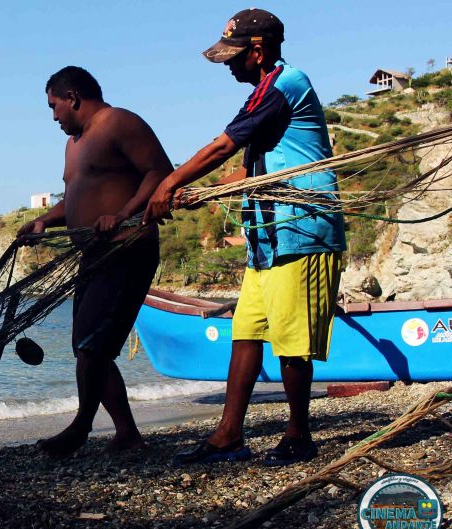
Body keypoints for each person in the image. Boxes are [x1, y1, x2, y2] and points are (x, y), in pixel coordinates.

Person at [143, 8, 346, 466]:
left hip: (302, 232)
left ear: (258, 51)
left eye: (234, 58)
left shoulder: (284, 84)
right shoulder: (264, 92)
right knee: (247, 332)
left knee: (291, 342)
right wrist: (203, 193)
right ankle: (228, 434)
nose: (229, 67)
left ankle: (298, 436)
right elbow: (250, 168)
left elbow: (222, 146)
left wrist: (168, 184)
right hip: (267, 238)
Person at [17, 66, 172, 456]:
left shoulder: (120, 122)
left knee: (91, 345)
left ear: (72, 97)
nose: (53, 116)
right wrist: (43, 221)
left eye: (54, 106)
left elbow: (160, 172)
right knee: (87, 347)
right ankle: (126, 435)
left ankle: (81, 428)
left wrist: (123, 213)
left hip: (127, 248)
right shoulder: (73, 144)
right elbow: (73, 198)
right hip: (94, 254)